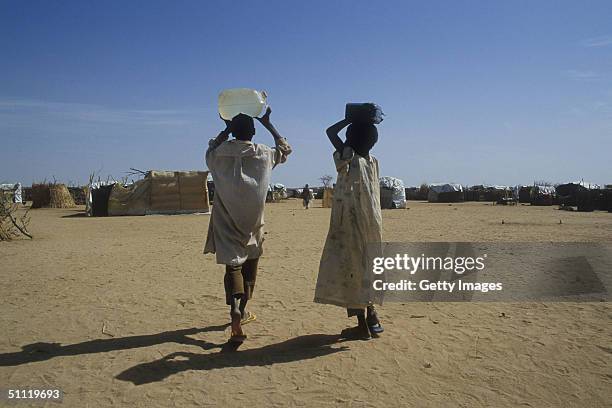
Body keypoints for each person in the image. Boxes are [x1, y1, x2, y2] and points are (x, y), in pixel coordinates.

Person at [204, 107, 291, 343]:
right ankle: (241, 310)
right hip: (253, 220)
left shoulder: (218, 155)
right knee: (250, 264)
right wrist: (268, 124)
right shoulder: (263, 154)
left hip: (226, 219)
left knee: (233, 266)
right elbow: (285, 149)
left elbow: (210, 147)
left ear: (233, 132)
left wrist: (226, 128)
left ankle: (233, 306)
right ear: (253, 132)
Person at [314, 117, 384, 339]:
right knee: (367, 265)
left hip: (349, 224)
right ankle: (372, 316)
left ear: (350, 140)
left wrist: (349, 119)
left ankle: (362, 325)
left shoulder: (349, 157)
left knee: (350, 269)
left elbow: (329, 131)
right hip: (371, 222)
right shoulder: (372, 161)